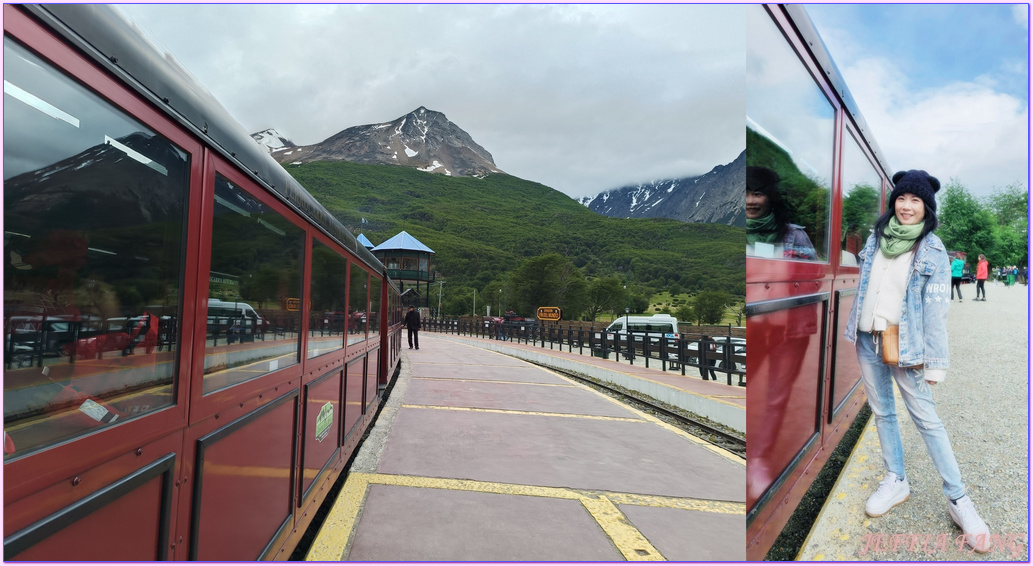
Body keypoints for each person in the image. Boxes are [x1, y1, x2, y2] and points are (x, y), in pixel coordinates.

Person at [844, 169, 991, 553]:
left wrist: (935, 362)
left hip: (905, 343)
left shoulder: (933, 250)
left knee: (927, 419)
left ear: (926, 207)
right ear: (893, 202)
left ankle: (959, 499)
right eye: (902, 199)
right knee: (883, 412)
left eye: (915, 201)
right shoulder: (876, 239)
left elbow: (935, 311)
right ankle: (896, 479)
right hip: (867, 339)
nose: (907, 207)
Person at [746, 166, 816, 260]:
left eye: (757, 194)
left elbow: (810, 271)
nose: (750, 201)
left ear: (771, 198)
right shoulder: (726, 232)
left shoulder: (794, 234)